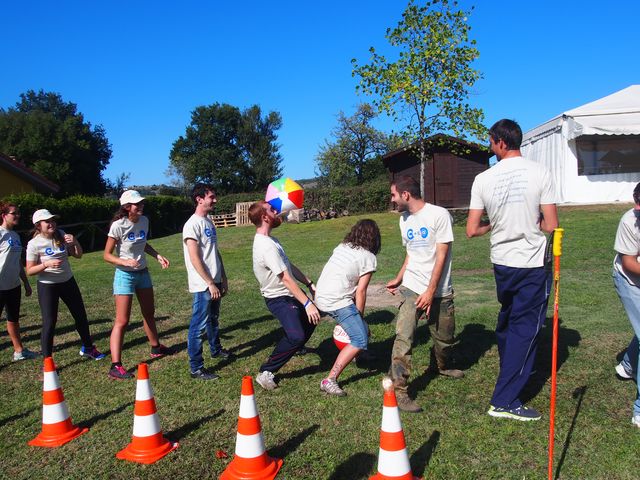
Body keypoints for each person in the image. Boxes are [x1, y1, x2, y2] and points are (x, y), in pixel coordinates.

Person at [467, 118, 558, 421]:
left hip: (502, 261)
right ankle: (504, 400)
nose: (490, 147)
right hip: (531, 261)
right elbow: (551, 225)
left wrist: (495, 223)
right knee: (525, 327)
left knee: (508, 315)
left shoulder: (483, 179)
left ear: (501, 143)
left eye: (491, 142)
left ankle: (510, 364)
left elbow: (472, 229)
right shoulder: (540, 172)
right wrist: (534, 222)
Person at [386, 175, 463, 413]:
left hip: (439, 289)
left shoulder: (439, 215)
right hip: (412, 287)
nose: (392, 200)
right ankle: (399, 390)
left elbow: (441, 255)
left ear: (405, 195)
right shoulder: (404, 220)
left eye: (393, 195)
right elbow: (410, 253)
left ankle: (440, 366)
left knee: (445, 338)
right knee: (404, 336)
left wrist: (431, 291)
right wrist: (400, 277)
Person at [249, 200, 320, 390]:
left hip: (289, 293)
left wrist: (308, 282)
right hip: (278, 297)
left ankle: (295, 348)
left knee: (312, 320)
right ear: (264, 217)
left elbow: (288, 266)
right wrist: (307, 303)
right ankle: (266, 372)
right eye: (272, 210)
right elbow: (286, 278)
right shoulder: (266, 246)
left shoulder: (272, 241)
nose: (277, 211)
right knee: (296, 336)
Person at [104, 190, 173, 380]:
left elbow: (143, 243)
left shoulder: (144, 221)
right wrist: (125, 262)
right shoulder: (118, 226)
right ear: (127, 207)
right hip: (124, 276)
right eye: (137, 204)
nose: (141, 206)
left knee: (149, 313)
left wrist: (157, 255)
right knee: (122, 321)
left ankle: (156, 348)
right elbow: (107, 255)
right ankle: (115, 365)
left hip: (143, 273)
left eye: (142, 203)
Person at [25, 209, 104, 360]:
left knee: (80, 315)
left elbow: (78, 255)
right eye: (47, 221)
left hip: (68, 281)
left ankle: (88, 348)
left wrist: (75, 242)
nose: (51, 223)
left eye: (53, 220)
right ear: (38, 225)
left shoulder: (61, 234)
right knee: (49, 322)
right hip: (48, 285)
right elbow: (30, 270)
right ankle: (47, 360)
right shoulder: (34, 244)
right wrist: (46, 264)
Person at [315, 219, 381, 396]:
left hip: (320, 296)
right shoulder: (369, 258)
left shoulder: (342, 247)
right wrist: (359, 316)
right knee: (360, 338)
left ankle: (361, 355)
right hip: (336, 300)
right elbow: (361, 291)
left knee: (359, 330)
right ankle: (329, 380)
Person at [182, 183, 230, 381]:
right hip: (203, 284)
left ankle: (216, 349)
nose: (215, 200)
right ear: (199, 199)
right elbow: (195, 258)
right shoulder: (191, 225)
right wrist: (210, 282)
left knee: (213, 319)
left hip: (214, 280)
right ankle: (196, 368)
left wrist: (222, 277)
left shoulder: (208, 221)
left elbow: (214, 252)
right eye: (212, 196)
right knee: (198, 325)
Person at [612, 182, 640, 427]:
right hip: (630, 280)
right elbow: (630, 263)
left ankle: (628, 366)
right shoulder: (629, 221)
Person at [0, 202, 38, 361]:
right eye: (13, 213)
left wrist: (26, 283)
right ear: (4, 216)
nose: (17, 216)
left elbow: (18, 262)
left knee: (13, 319)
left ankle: (19, 351)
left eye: (18, 213)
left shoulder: (15, 236)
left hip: (13, 286)